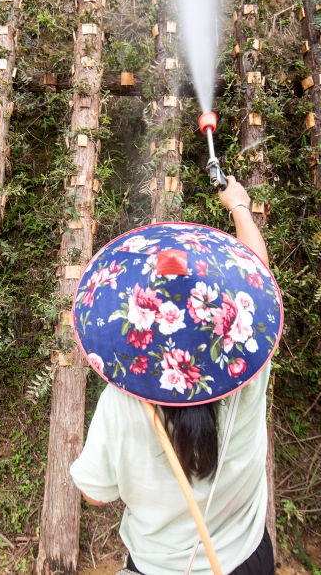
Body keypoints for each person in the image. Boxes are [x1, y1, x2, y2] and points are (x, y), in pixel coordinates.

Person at [70, 176, 276, 575]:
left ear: (143, 320)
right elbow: (260, 278)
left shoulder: (121, 403)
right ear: (220, 312)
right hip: (247, 560)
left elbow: (95, 494)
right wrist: (239, 208)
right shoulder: (248, 369)